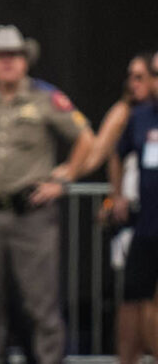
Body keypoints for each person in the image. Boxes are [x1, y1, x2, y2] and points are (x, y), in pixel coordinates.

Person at [0, 25, 94, 364]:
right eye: (0, 56)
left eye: (14, 55)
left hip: (33, 215)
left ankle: (50, 360)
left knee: (41, 303)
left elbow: (86, 137)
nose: (7, 62)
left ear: (25, 60)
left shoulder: (45, 98)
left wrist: (64, 177)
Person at [83, 52, 158, 363]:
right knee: (133, 299)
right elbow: (110, 152)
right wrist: (116, 197)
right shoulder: (137, 116)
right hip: (147, 224)